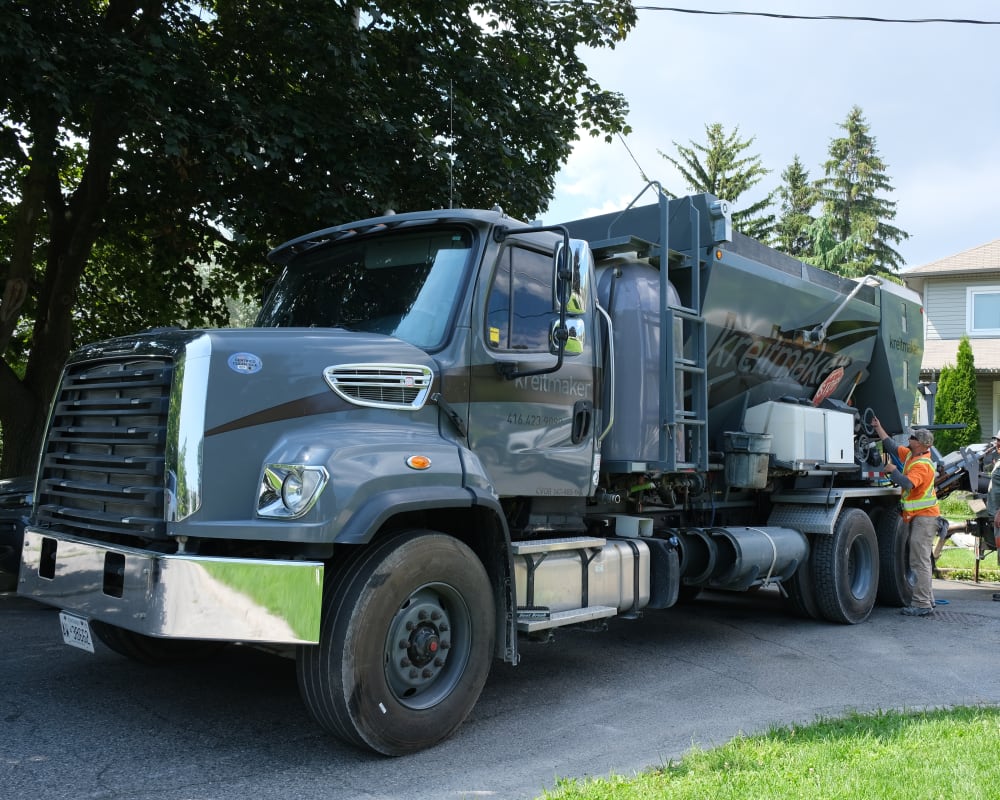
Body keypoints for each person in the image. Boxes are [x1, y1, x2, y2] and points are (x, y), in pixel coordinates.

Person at [871, 418, 941, 616]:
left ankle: (922, 605)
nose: (909, 439)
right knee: (922, 559)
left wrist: (893, 471)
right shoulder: (912, 454)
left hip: (925, 519)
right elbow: (892, 446)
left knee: (919, 561)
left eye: (912, 437)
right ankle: (928, 600)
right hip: (920, 518)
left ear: (920, 443)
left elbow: (908, 484)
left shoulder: (922, 465)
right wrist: (879, 427)